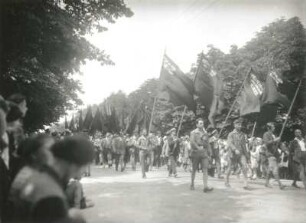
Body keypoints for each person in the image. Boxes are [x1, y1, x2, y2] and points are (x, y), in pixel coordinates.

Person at [8, 136, 95, 223]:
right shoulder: (52, 196)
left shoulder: (36, 176)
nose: (84, 171)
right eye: (85, 165)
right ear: (74, 164)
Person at [225, 118, 250, 189]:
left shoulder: (242, 134)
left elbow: (244, 146)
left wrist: (247, 155)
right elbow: (230, 143)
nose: (240, 126)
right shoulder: (231, 134)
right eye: (238, 125)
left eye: (240, 125)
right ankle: (226, 181)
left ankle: (245, 183)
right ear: (234, 125)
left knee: (244, 167)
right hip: (232, 154)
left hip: (241, 154)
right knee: (230, 168)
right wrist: (235, 149)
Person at [190, 118, 213, 193]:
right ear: (196, 124)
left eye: (202, 123)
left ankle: (205, 187)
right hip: (196, 152)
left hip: (204, 153)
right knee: (194, 169)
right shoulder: (193, 132)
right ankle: (192, 183)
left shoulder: (205, 133)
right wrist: (198, 148)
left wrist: (210, 152)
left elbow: (208, 143)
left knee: (205, 169)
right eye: (200, 123)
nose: (202, 124)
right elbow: (192, 142)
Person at [262, 122, 285, 189]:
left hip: (275, 154)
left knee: (270, 169)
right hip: (270, 154)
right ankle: (280, 184)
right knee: (275, 169)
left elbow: (279, 144)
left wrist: (284, 150)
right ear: (269, 128)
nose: (274, 128)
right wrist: (275, 140)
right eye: (273, 127)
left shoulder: (274, 135)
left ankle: (266, 182)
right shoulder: (266, 134)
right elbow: (267, 143)